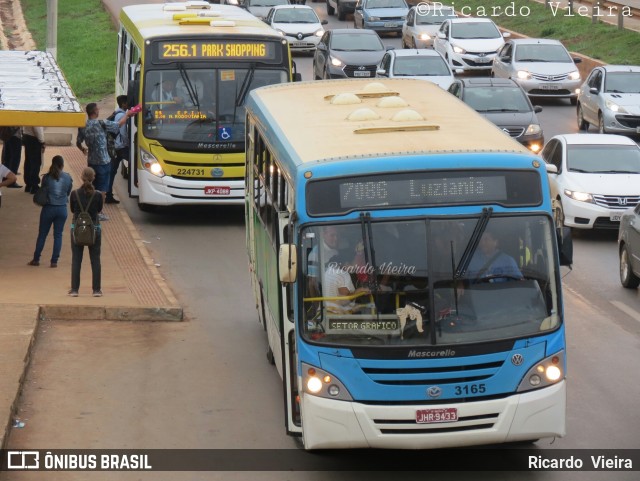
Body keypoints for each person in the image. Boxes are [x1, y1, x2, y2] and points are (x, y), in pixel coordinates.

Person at [76, 103, 133, 220]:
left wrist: (83, 149)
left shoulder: (82, 125)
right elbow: (119, 125)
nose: (99, 110)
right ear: (95, 112)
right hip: (104, 162)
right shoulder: (101, 123)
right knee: (102, 189)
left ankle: (89, 210)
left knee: (91, 186)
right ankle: (98, 212)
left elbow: (78, 142)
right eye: (98, 109)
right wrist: (127, 115)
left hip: (91, 161)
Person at [27, 155, 73, 268]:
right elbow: (68, 192)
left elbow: (43, 191)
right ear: (62, 165)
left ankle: (36, 259)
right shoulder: (68, 177)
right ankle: (54, 261)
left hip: (48, 208)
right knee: (58, 235)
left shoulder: (46, 178)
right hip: (62, 208)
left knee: (42, 234)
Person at [69, 167, 104, 297]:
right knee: (95, 259)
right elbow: (99, 210)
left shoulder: (74, 194)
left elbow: (73, 210)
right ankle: (96, 290)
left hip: (77, 229)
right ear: (93, 177)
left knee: (76, 259)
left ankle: (74, 290)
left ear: (82, 177)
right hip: (94, 229)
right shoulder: (98, 195)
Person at [106, 95, 129, 204]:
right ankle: (108, 194)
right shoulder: (121, 115)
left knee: (112, 171)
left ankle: (108, 194)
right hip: (120, 147)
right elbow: (123, 133)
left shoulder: (116, 113)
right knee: (112, 171)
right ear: (124, 104)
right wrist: (128, 144)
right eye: (127, 102)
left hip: (116, 146)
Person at [22, 126, 46, 194]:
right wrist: (42, 141)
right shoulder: (36, 115)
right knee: (35, 163)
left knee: (28, 162)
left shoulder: (27, 114)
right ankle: (34, 186)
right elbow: (37, 128)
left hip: (27, 136)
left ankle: (28, 185)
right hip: (34, 139)